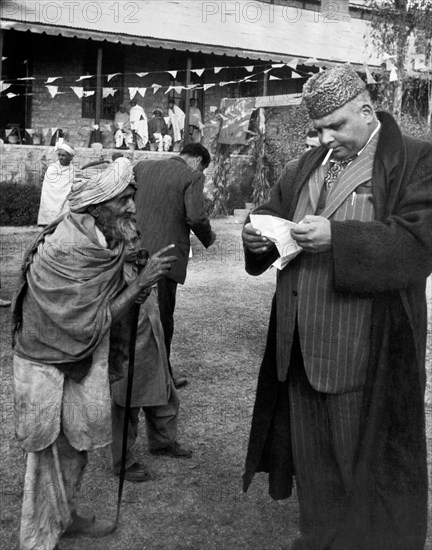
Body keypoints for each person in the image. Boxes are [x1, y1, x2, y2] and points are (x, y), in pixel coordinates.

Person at [242, 64, 432, 550]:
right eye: (319, 128)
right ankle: (318, 536)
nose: (325, 138)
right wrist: (257, 235)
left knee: (364, 467)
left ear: (367, 111)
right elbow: (271, 211)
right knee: (314, 463)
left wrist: (339, 239)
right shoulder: (304, 166)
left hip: (362, 352)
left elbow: (418, 246)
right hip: (299, 349)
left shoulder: (415, 160)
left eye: (336, 125)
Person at [12, 157, 177, 550]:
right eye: (124, 200)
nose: (133, 208)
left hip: (81, 359)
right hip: (46, 361)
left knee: (76, 444)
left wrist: (132, 271)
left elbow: (106, 291)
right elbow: (86, 322)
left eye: (132, 197)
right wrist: (138, 287)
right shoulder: (68, 248)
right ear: (98, 205)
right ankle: (36, 539)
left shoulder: (106, 238)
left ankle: (66, 517)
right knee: (46, 453)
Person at [111, 221, 192, 483]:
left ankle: (163, 441)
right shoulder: (110, 273)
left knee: (165, 395)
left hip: (152, 341)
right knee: (126, 406)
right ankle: (122, 459)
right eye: (128, 242)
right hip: (128, 348)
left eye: (137, 239)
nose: (135, 245)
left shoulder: (143, 263)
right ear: (114, 245)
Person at [133, 143, 216, 389]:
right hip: (164, 256)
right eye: (202, 168)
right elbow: (195, 216)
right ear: (198, 161)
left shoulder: (142, 166)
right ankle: (162, 378)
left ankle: (130, 372)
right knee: (161, 318)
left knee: (129, 312)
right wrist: (209, 238)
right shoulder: (192, 175)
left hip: (131, 252)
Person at [37, 142, 76, 226]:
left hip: (65, 203)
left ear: (70, 157)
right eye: (59, 155)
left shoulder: (73, 171)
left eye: (63, 155)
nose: (60, 158)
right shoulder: (52, 169)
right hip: (51, 203)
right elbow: (47, 192)